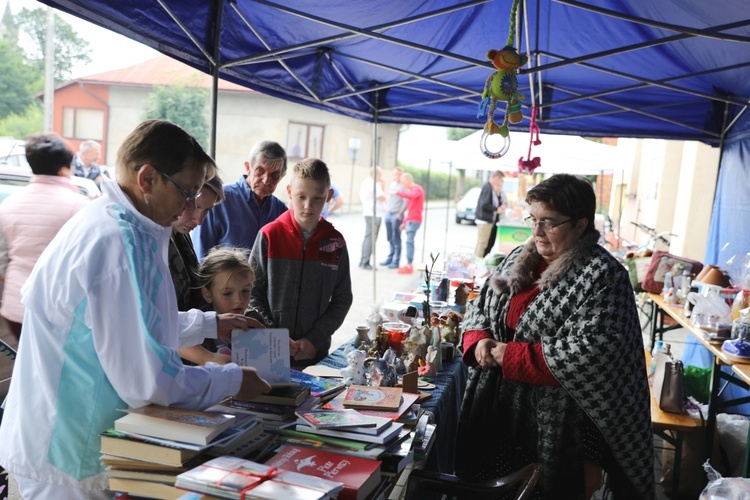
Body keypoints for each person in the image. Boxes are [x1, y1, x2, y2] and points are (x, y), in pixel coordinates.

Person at [0, 120, 271, 499]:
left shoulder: (125, 227)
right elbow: (147, 380)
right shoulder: (117, 242)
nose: (190, 207)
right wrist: (232, 379)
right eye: (187, 192)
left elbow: (136, 324)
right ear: (147, 179)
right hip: (68, 450)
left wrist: (210, 323)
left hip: (70, 434)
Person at [455, 174, 654, 499]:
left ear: (580, 225)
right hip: (496, 410)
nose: (536, 232)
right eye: (533, 220)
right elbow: (482, 304)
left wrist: (510, 356)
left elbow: (592, 356)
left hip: (560, 425)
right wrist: (478, 339)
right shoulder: (520, 256)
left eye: (549, 223)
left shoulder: (603, 277)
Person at [250, 158, 353, 368]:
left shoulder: (335, 243)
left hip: (315, 355)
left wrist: (315, 338)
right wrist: (273, 336)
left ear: (329, 196)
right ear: (289, 191)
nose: (308, 206)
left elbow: (342, 298)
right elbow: (251, 292)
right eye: (301, 197)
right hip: (266, 351)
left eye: (318, 198)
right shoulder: (269, 235)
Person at [0, 134, 87, 340]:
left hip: (16, 309)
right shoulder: (81, 207)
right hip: (59, 312)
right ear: (64, 168)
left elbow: (2, 264)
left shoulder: (8, 205)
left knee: (27, 367)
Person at [191, 140, 288, 259]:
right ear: (248, 167)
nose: (266, 180)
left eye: (274, 175)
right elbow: (199, 256)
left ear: (282, 176)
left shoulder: (281, 212)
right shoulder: (218, 200)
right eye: (260, 170)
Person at [395, 173, 424, 274]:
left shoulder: (416, 189)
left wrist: (398, 192)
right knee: (409, 241)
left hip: (414, 220)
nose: (403, 185)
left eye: (403, 182)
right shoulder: (413, 190)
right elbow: (410, 209)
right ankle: (408, 264)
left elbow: (412, 196)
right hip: (411, 220)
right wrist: (404, 222)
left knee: (409, 242)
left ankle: (409, 265)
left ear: (408, 180)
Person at [358, 167, 386, 270]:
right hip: (374, 214)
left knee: (368, 237)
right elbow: (383, 197)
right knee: (371, 238)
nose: (381, 177)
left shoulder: (367, 182)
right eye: (380, 174)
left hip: (369, 213)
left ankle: (363, 261)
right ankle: (365, 262)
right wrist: (384, 184)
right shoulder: (373, 184)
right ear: (377, 174)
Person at [474, 170, 506, 258]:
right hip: (484, 219)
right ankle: (478, 262)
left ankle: (477, 261)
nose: (500, 183)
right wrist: (496, 209)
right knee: (482, 243)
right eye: (500, 180)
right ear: (496, 178)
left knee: (481, 242)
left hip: (485, 219)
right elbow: (485, 204)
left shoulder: (490, 187)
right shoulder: (488, 187)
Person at [380, 167, 407, 269]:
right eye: (396, 174)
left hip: (397, 214)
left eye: (400, 174)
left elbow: (405, 201)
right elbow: (389, 198)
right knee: (390, 237)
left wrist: (400, 213)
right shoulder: (393, 184)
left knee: (396, 238)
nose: (398, 176)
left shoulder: (403, 186)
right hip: (389, 213)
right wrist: (387, 208)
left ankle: (396, 261)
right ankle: (390, 258)